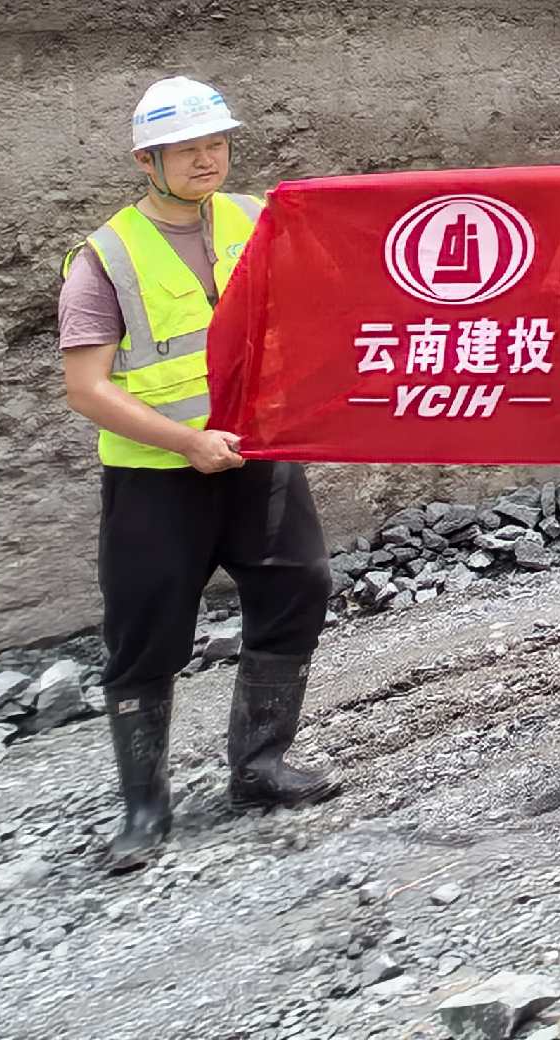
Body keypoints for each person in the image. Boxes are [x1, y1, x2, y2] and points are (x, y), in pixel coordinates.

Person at [59, 76, 335, 873]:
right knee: (146, 632)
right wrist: (185, 442)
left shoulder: (256, 219)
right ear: (149, 158)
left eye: (216, 144)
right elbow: (87, 386)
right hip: (158, 479)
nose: (206, 159)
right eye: (187, 149)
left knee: (298, 588)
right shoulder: (104, 257)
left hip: (256, 458)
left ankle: (259, 766)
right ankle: (145, 809)